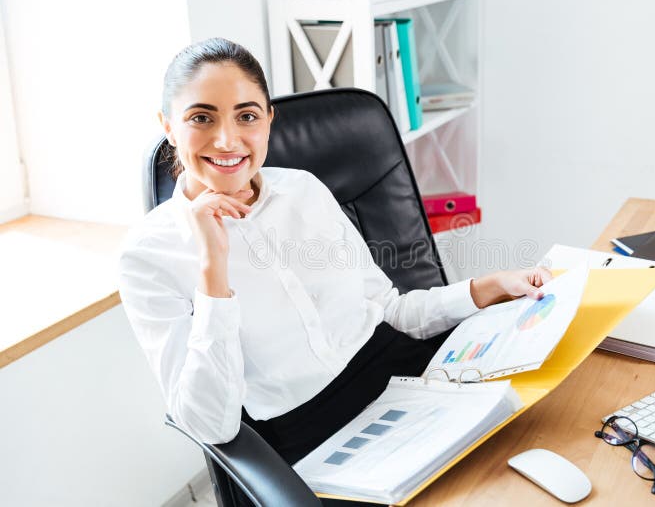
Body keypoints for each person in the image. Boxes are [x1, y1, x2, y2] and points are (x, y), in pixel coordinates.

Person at [117, 37, 551, 481]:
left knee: (535, 442)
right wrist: (213, 273)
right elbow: (210, 425)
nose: (227, 139)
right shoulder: (147, 258)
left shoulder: (303, 189)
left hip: (408, 384)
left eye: (246, 115)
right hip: (310, 437)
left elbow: (390, 310)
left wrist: (488, 288)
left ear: (268, 120)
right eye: (201, 118)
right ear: (168, 126)